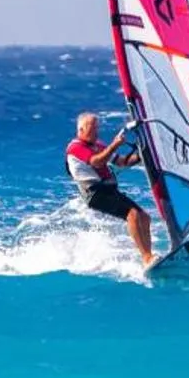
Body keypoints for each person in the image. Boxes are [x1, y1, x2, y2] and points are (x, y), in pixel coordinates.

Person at [66, 111, 156, 267]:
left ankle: (148, 258)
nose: (95, 131)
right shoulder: (75, 147)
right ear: (80, 130)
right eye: (91, 128)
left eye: (96, 128)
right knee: (132, 214)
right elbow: (97, 162)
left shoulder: (98, 145)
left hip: (109, 191)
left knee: (144, 217)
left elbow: (121, 162)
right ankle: (147, 257)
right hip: (95, 193)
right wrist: (115, 144)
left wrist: (142, 155)